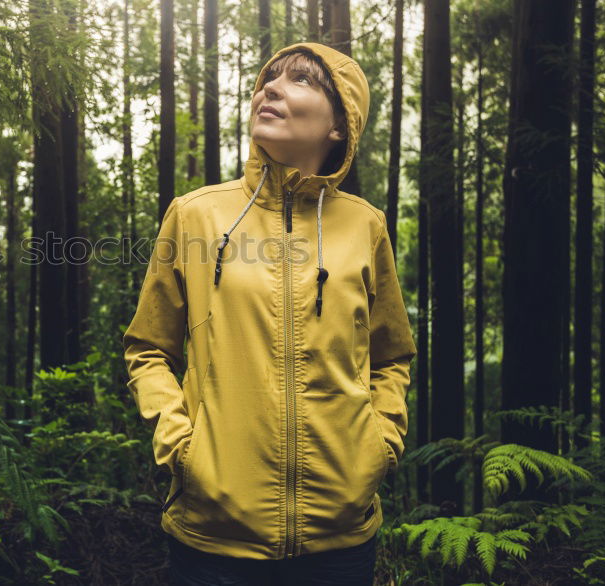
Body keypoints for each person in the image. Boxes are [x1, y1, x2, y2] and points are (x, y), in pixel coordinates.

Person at [123, 42, 417, 585]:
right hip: (214, 533)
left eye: (300, 80)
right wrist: (182, 447)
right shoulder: (195, 215)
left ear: (340, 126)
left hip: (341, 536)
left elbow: (391, 355)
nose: (271, 87)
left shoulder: (365, 226)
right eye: (268, 78)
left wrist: (379, 446)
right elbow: (148, 349)